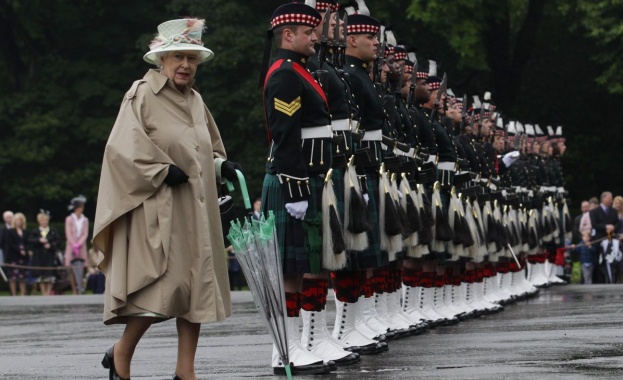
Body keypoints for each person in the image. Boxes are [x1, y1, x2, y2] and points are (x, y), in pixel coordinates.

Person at [93, 17, 238, 380]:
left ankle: (185, 371)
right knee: (162, 291)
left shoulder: (197, 101)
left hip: (198, 210)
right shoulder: (141, 94)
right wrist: (159, 169)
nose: (185, 65)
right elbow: (120, 151)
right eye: (177, 57)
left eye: (191, 58)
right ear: (162, 60)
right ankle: (121, 353)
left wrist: (222, 168)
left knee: (198, 293)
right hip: (161, 210)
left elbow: (206, 150)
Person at [259, 2, 337, 375]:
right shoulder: (286, 75)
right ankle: (285, 349)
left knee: (305, 264)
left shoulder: (301, 71)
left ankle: (299, 344)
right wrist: (294, 190)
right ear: (288, 34)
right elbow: (286, 134)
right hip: (295, 180)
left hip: (309, 178)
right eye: (309, 33)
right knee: (290, 270)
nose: (315, 38)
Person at [589, 191, 621, 284]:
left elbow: (618, 223)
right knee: (600, 262)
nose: (611, 201)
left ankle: (612, 280)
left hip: (611, 241)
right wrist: (606, 227)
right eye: (610, 198)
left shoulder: (614, 211)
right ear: (603, 199)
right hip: (600, 241)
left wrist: (613, 227)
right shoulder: (594, 212)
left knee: (613, 261)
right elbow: (594, 224)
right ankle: (599, 282)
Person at [28, 211, 61, 295]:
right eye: (43, 220)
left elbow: (58, 241)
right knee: (41, 275)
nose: (45, 222)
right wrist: (39, 240)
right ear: (39, 221)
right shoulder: (35, 231)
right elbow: (30, 241)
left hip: (50, 256)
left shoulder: (53, 230)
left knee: (49, 275)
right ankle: (43, 293)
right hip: (39, 256)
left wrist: (50, 245)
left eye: (46, 220)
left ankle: (48, 292)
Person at [65, 195, 89, 294]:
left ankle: (81, 287)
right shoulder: (69, 219)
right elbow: (68, 233)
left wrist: (79, 244)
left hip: (81, 246)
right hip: (71, 246)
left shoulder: (85, 219)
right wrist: (74, 244)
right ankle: (74, 289)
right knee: (71, 268)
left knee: (82, 266)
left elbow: (85, 233)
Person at [5, 213, 28, 296]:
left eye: (21, 220)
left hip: (23, 257)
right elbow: (10, 244)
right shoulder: (10, 232)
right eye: (18, 220)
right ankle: (14, 294)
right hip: (13, 257)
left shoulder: (25, 232)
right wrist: (19, 250)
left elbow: (27, 243)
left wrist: (25, 250)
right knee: (13, 277)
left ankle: (23, 294)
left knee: (22, 277)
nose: (19, 222)